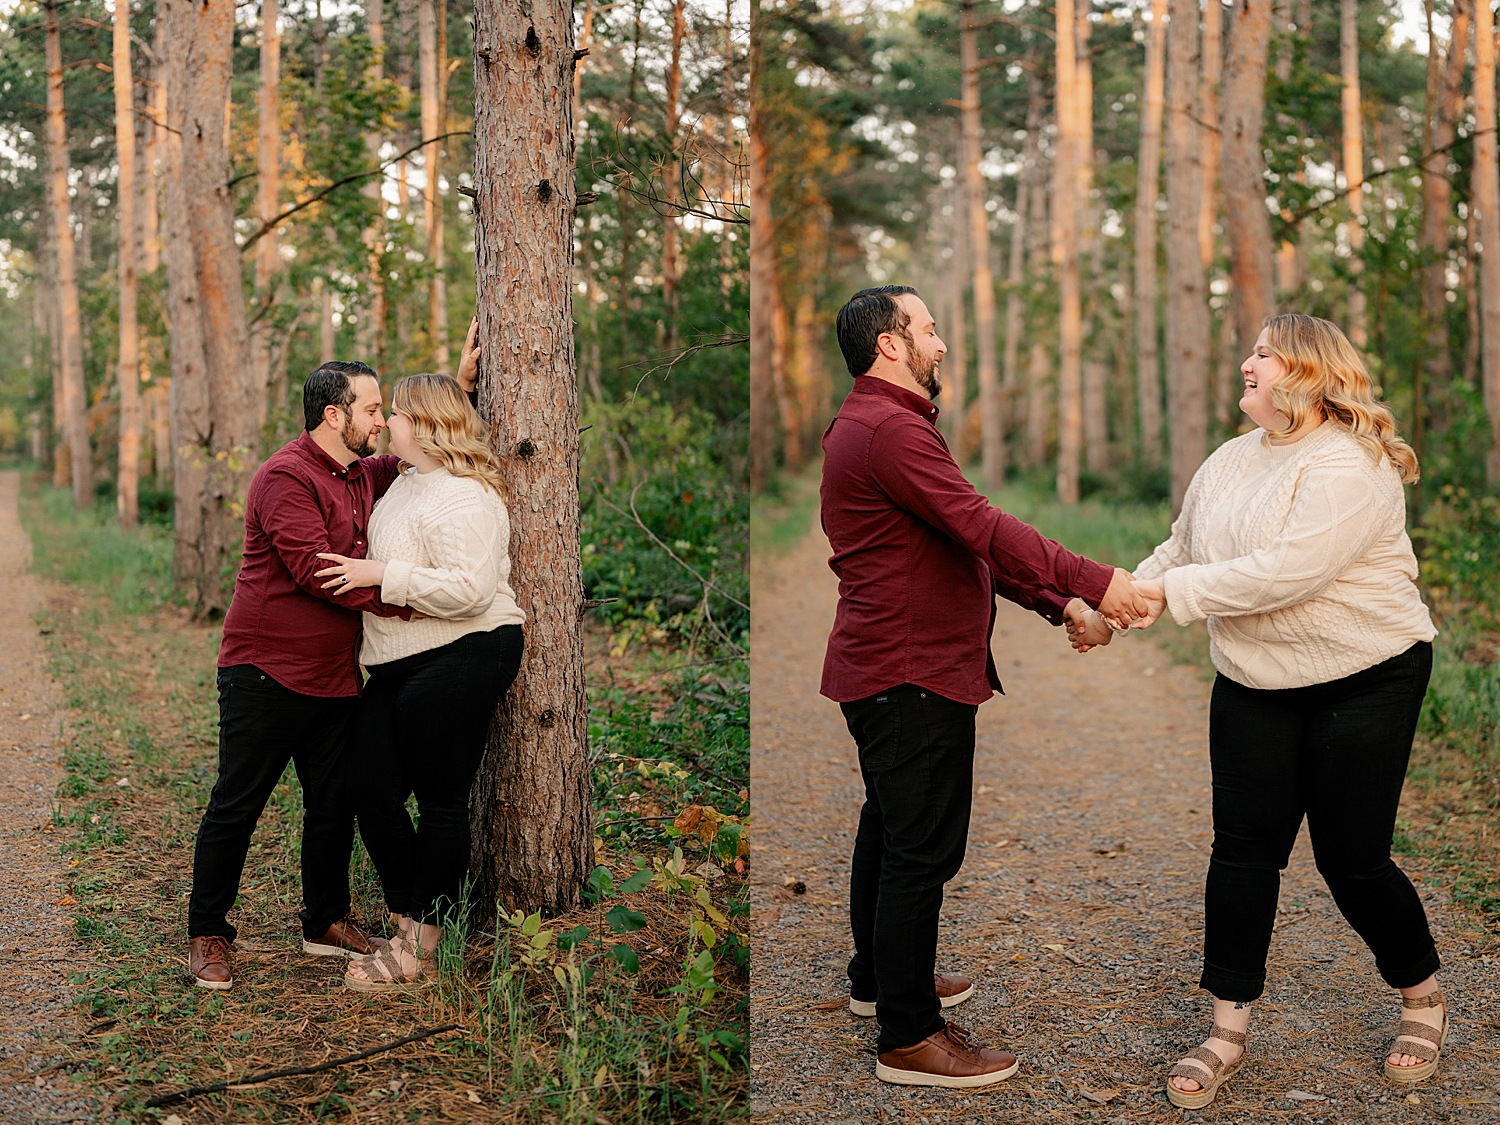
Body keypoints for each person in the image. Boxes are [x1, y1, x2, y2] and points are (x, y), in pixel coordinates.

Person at [1069, 314, 1444, 1106]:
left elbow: (1283, 574)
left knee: (1352, 858)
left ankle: (1422, 997)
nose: (1245, 363)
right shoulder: (1230, 460)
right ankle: (1226, 1026)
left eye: (1262, 352)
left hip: (1366, 676)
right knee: (1242, 850)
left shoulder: (1349, 465)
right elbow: (1183, 550)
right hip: (1254, 679)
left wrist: (1158, 597)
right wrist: (1115, 603)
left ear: (1304, 368)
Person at [821, 286, 1152, 1088]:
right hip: (910, 672)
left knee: (892, 829)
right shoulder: (889, 429)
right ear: (891, 345)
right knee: (921, 849)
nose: (941, 343)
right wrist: (1098, 579)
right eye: (928, 329)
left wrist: (1057, 599)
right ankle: (909, 1038)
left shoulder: (882, 426)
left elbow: (960, 545)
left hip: (899, 669)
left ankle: (882, 980)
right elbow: (984, 526)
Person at [187, 361, 409, 989]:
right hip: (265, 670)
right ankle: (207, 931)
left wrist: (462, 384)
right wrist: (421, 600)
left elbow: (423, 437)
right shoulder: (285, 477)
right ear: (333, 416)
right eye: (371, 409)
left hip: (335, 674)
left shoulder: (363, 472)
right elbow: (321, 572)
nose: (381, 421)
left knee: (332, 802)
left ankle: (325, 921)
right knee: (239, 803)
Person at [313, 373, 525, 992]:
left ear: (428, 425)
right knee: (367, 784)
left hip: (467, 649)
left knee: (439, 799)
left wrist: (380, 571)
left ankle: (422, 950)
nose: (385, 423)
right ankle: (411, 916)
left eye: (397, 413)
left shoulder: (467, 495)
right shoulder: (404, 483)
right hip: (397, 661)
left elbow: (471, 590)